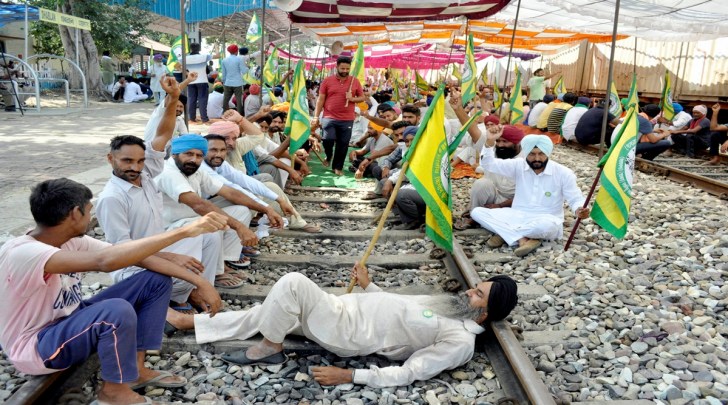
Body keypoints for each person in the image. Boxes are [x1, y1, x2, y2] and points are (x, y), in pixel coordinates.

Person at [0, 177, 227, 405]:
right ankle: (114, 393)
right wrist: (186, 231)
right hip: (37, 346)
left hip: (69, 321)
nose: (91, 217)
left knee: (155, 281)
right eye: (89, 211)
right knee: (115, 311)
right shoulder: (23, 252)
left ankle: (135, 370)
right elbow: (105, 261)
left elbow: (134, 256)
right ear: (75, 214)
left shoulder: (69, 240)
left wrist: (200, 282)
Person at [164, 264, 518, 388]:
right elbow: (404, 308)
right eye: (476, 286)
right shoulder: (453, 309)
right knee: (273, 308)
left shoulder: (460, 339)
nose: (469, 291)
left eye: (477, 295)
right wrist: (369, 286)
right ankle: (190, 323)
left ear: (484, 315)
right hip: (343, 310)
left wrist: (350, 377)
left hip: (347, 334)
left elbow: (411, 372)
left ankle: (271, 349)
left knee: (291, 284)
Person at [98, 78, 227, 314]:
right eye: (127, 161)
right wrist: (171, 258)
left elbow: (163, 134)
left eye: (139, 161)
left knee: (207, 237)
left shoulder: (145, 174)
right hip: (132, 267)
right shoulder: (111, 198)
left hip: (156, 247)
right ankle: (177, 301)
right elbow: (123, 254)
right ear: (111, 159)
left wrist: (174, 99)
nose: (135, 167)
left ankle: (190, 292)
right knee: (184, 271)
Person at [154, 134, 283, 286]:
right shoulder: (169, 173)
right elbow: (199, 205)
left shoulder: (195, 169)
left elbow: (229, 192)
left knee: (241, 210)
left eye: (199, 155)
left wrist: (266, 209)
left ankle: (224, 261)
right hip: (168, 229)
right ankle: (208, 281)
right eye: (188, 154)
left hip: (188, 220)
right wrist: (239, 227)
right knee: (212, 226)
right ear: (175, 154)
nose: (194, 159)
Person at [472, 133, 590, 257]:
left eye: (541, 154)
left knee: (547, 227)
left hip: (546, 218)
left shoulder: (563, 173)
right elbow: (488, 164)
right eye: (532, 154)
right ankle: (522, 239)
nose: (537, 158)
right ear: (526, 153)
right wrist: (490, 141)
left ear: (548, 153)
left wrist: (579, 209)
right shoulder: (518, 165)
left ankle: (504, 234)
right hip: (517, 215)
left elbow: (575, 198)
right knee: (477, 212)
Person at [312, 56, 367, 176]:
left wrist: (352, 98)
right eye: (342, 68)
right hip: (329, 117)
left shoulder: (355, 81)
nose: (345, 71)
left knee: (343, 144)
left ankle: (338, 167)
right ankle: (329, 155)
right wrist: (316, 117)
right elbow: (320, 100)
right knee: (327, 139)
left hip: (347, 119)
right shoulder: (327, 81)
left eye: (347, 68)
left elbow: (363, 97)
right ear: (337, 67)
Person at [186, 43, 213, 123]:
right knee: (202, 100)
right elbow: (217, 56)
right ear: (199, 49)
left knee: (191, 100)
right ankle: (204, 118)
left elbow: (176, 66)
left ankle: (192, 118)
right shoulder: (203, 57)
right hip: (202, 81)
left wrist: (188, 74)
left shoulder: (186, 58)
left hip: (191, 81)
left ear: (190, 49)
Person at [220, 44, 246, 115]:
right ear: (237, 51)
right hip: (238, 83)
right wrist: (247, 67)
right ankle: (239, 115)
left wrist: (224, 82)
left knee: (226, 100)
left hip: (227, 83)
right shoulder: (239, 59)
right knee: (239, 101)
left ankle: (225, 114)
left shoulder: (224, 60)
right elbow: (244, 71)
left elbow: (224, 74)